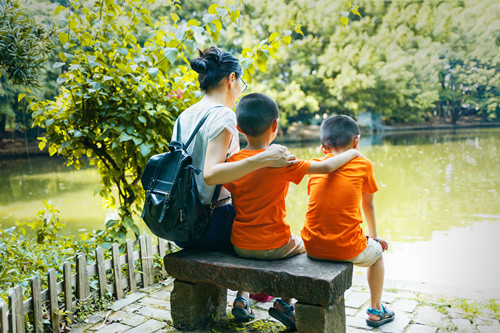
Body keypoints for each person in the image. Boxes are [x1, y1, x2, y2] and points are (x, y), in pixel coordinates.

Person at [223, 93, 360, 328]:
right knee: (303, 247)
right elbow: (326, 167)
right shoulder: (281, 161)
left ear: (239, 128)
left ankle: (241, 299)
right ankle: (283, 303)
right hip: (275, 244)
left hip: (240, 245)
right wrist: (353, 152)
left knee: (257, 248)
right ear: (275, 125)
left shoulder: (233, 163)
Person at [172, 47, 296, 251]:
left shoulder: (184, 115)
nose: (240, 89)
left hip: (182, 226)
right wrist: (265, 157)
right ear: (231, 78)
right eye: (241, 83)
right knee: (272, 238)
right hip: (212, 225)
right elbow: (211, 175)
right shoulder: (224, 115)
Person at [301, 115, 395, 328]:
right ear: (356, 141)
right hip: (345, 247)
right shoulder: (363, 164)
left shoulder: (315, 166)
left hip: (312, 245)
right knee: (377, 255)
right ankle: (375, 309)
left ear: (324, 146)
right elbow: (368, 205)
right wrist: (373, 236)